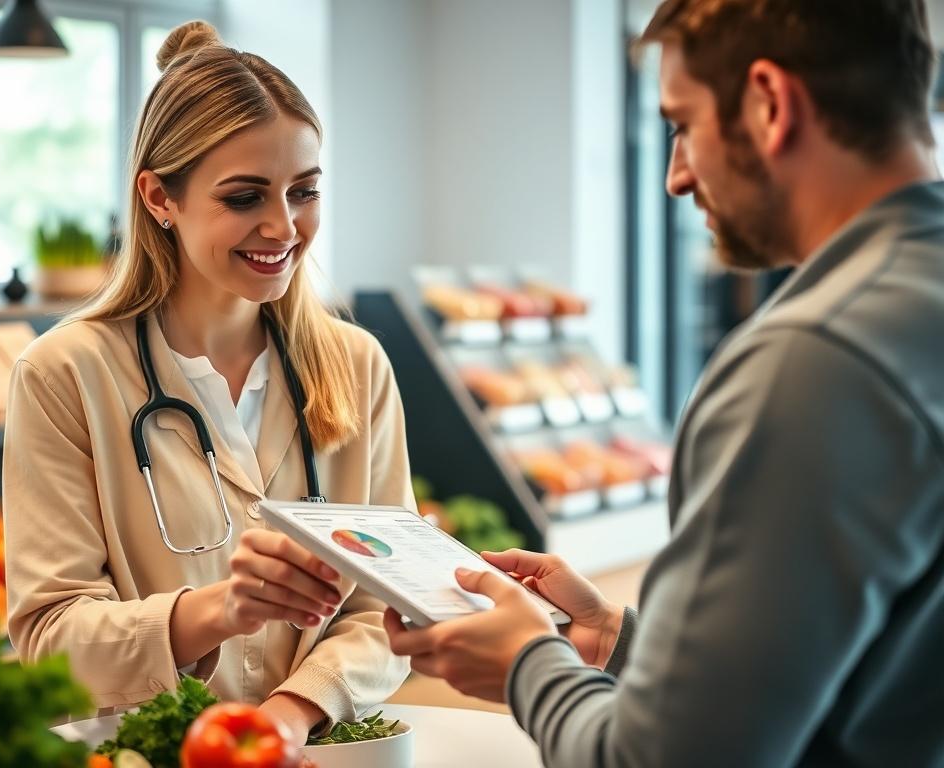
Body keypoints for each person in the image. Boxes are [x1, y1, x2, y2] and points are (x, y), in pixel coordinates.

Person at [384, 1, 944, 765]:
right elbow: (860, 669)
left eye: (682, 124)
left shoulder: (812, 361)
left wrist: (527, 665)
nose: (676, 176)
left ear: (770, 103)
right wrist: (619, 643)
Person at [3, 21, 413, 745]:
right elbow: (51, 636)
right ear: (159, 197)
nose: (284, 227)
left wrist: (287, 716)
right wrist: (220, 611)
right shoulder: (64, 375)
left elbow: (387, 609)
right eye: (245, 198)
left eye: (304, 191)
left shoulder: (356, 366)